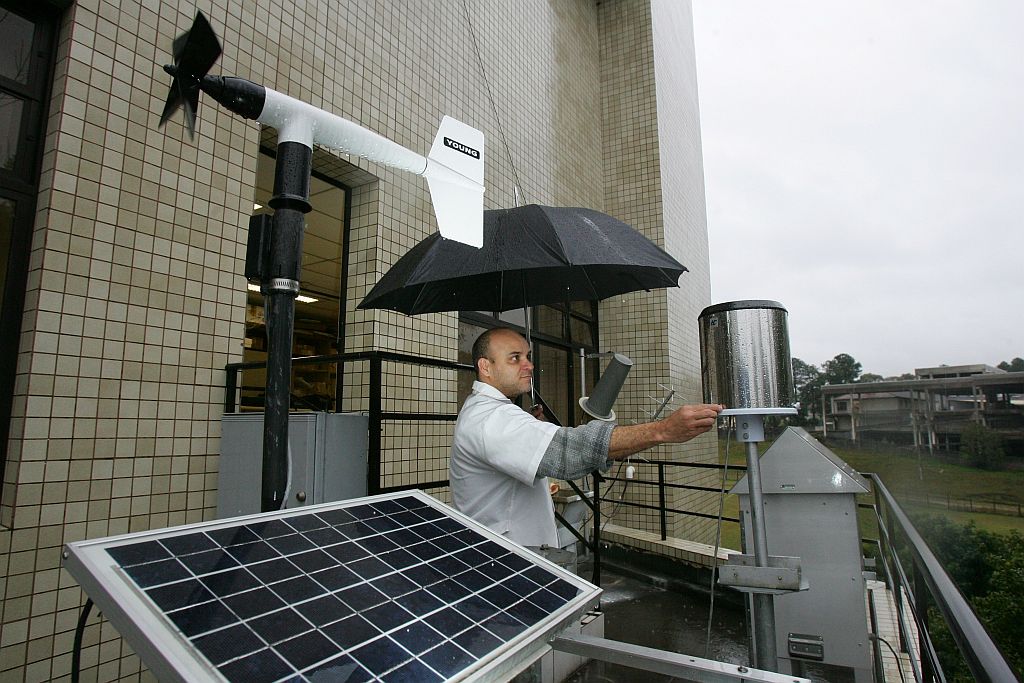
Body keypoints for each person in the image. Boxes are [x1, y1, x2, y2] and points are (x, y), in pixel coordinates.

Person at [450, 327, 724, 548]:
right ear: (485, 367)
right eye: (515, 358)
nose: (529, 365)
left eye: (528, 356)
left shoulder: (489, 412)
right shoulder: (492, 418)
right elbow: (567, 450)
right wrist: (662, 430)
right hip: (507, 561)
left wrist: (533, 432)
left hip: (506, 554)